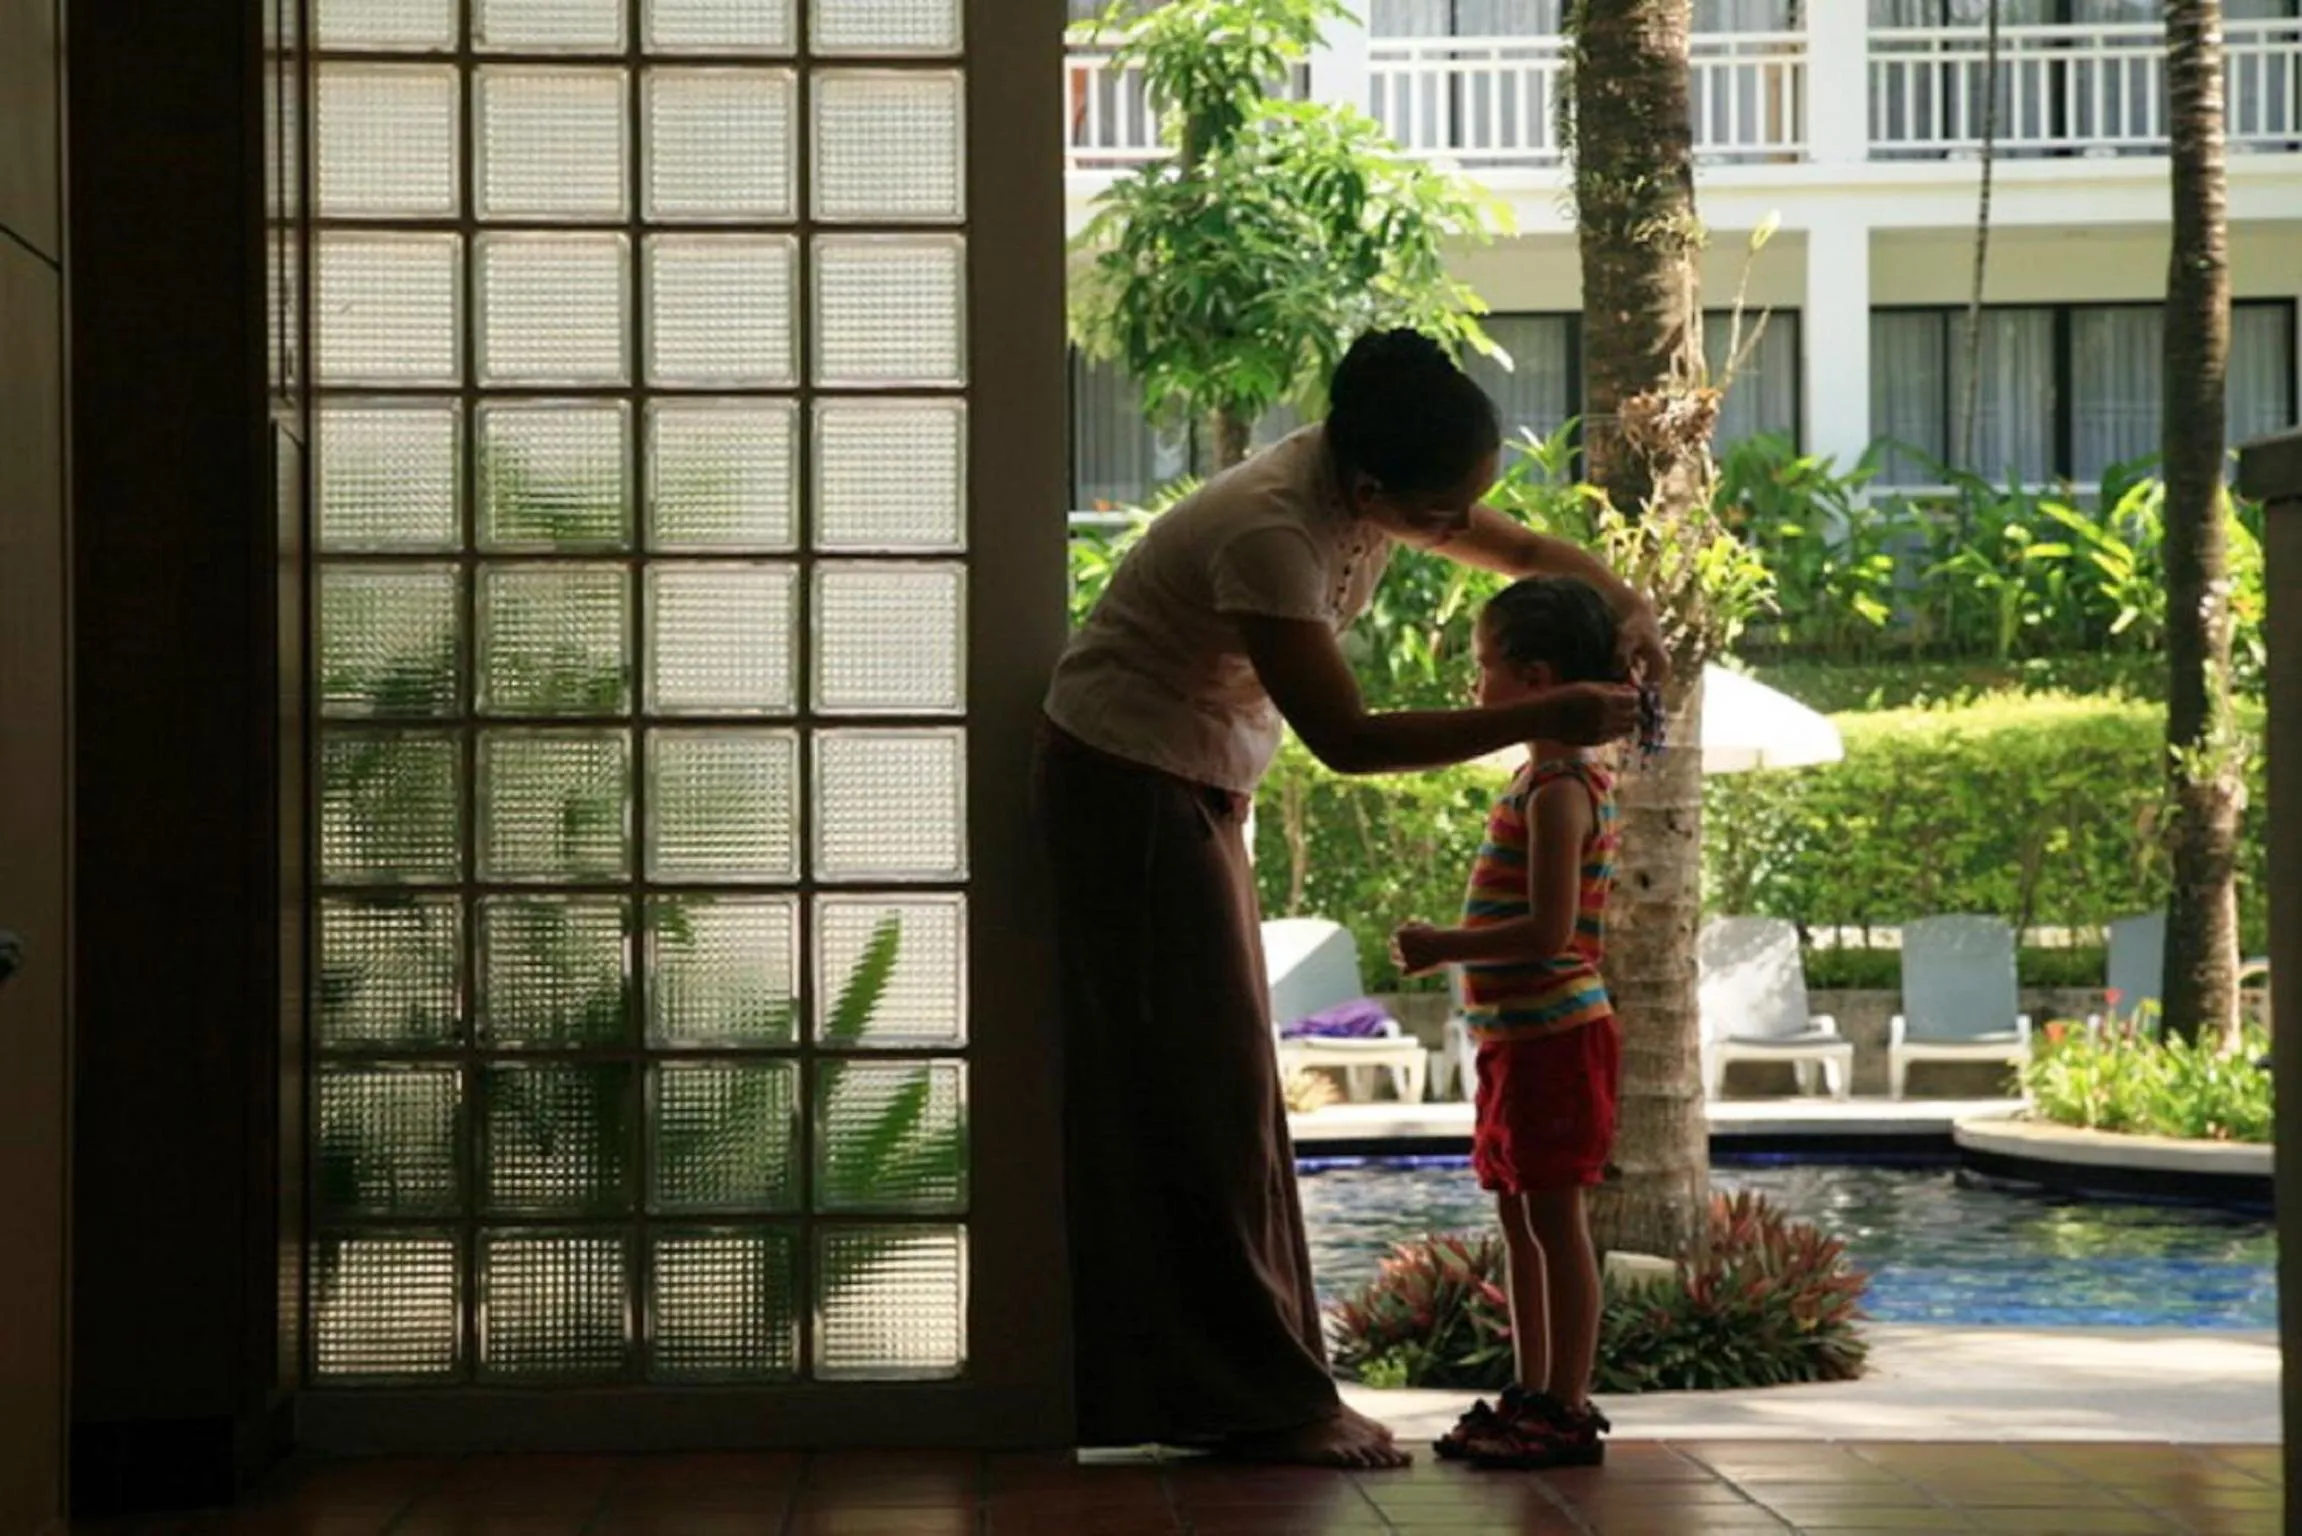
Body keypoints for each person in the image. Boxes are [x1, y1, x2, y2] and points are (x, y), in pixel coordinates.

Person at [1034, 327, 1665, 1470]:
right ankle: (1259, 1400)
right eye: (1441, 512)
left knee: (1225, 1093)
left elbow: (1522, 547)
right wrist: (1539, 714)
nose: (1458, 528)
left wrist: (1622, 602)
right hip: (1127, 785)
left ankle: (1244, 1389)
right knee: (1205, 1093)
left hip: (1196, 782)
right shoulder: (1270, 531)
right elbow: (1348, 739)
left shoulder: (1374, 486)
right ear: (1373, 487)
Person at [1391, 575, 1625, 1471]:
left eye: (1484, 666)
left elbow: (1553, 931)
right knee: (1522, 1221)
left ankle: (1566, 1405)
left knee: (1556, 1223)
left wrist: (1445, 943)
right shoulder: (1536, 779)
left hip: (1556, 1037)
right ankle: (1533, 1391)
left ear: (1532, 678)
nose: (1473, 685)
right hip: (1517, 1040)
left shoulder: (1562, 786)